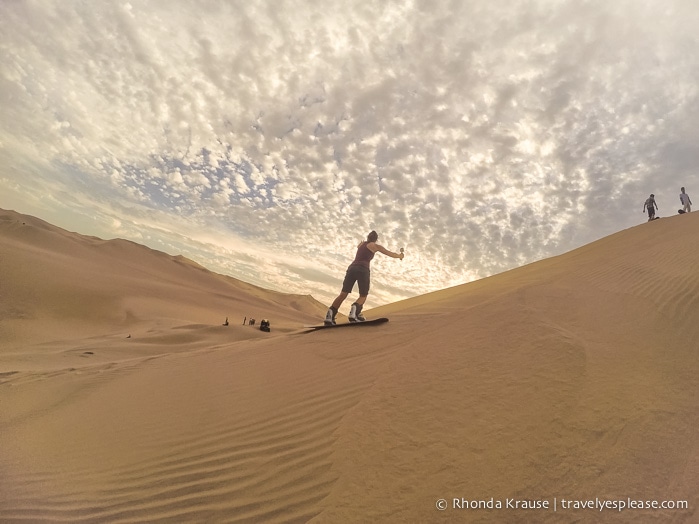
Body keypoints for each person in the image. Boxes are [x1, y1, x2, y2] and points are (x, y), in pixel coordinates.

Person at [324, 231, 404, 325]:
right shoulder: (376, 246)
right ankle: (354, 313)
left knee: (343, 294)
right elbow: (389, 253)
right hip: (363, 269)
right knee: (363, 295)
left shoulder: (362, 244)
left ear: (368, 237)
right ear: (376, 239)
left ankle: (330, 316)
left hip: (351, 268)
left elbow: (359, 247)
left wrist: (361, 244)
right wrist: (399, 256)